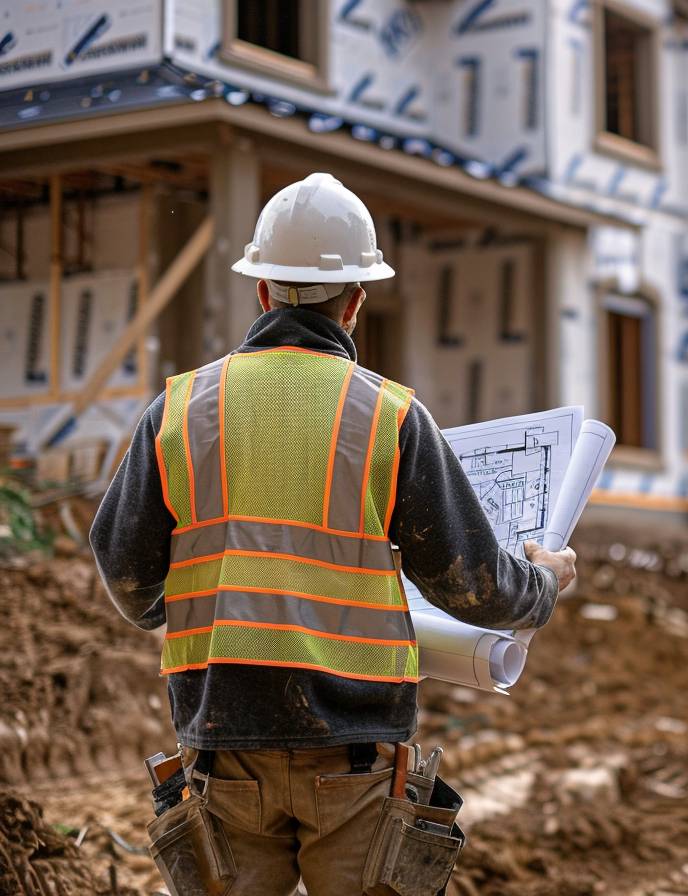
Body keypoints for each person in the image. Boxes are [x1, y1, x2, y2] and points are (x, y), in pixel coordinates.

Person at [90, 172, 576, 895]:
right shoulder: (390, 416)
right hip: (352, 752)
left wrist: (196, 606)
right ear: (355, 301)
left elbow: (126, 573)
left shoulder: (181, 408)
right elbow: (473, 585)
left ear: (261, 292)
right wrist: (543, 583)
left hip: (222, 742)